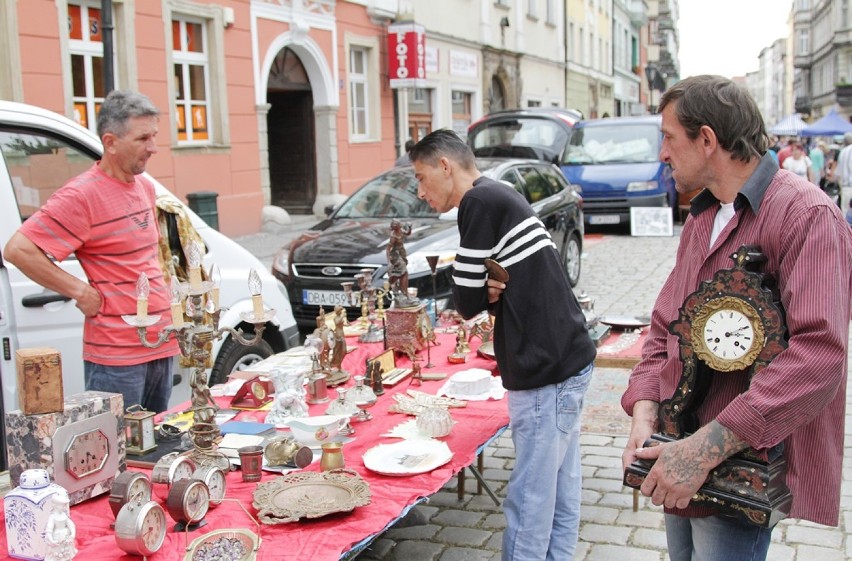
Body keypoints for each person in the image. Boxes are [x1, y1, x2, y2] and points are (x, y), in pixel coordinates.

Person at [621, 75, 852, 561]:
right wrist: (644, 411)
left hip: (738, 462)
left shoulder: (806, 215)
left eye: (668, 137)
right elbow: (665, 324)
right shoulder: (705, 215)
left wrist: (704, 449)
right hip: (677, 447)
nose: (662, 153)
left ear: (707, 140)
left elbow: (818, 356)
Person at [409, 129, 596, 561]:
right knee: (559, 495)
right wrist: (487, 287)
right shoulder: (499, 192)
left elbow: (467, 300)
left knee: (531, 501)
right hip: (568, 357)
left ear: (444, 166)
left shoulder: (478, 201)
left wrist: (485, 290)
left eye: (421, 178)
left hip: (544, 369)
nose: (420, 192)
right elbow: (481, 289)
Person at [4, 90, 178, 412]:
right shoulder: (81, 196)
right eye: (143, 139)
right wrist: (80, 292)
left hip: (160, 344)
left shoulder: (145, 186)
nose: (153, 148)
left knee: (157, 448)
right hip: (116, 357)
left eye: (153, 136)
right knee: (114, 453)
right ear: (110, 142)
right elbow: (18, 250)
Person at [835, 131, 852, 212]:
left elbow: (838, 172)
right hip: (850, 184)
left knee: (845, 212)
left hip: (845, 187)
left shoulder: (842, 151)